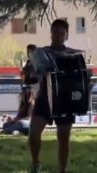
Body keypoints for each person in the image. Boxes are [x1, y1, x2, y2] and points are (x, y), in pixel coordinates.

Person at [28, 19, 79, 173]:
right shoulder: (41, 53)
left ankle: (62, 170)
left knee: (63, 136)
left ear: (67, 35)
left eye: (61, 33)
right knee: (33, 133)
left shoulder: (73, 54)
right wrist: (33, 71)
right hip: (44, 97)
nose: (58, 35)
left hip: (66, 99)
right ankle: (36, 163)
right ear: (51, 33)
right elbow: (30, 74)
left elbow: (82, 76)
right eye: (55, 32)